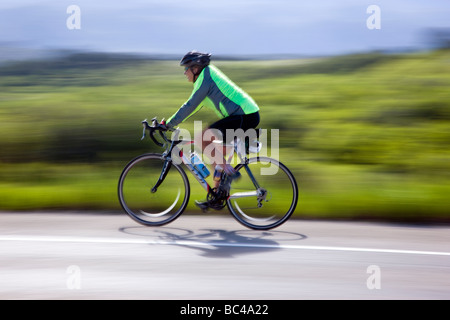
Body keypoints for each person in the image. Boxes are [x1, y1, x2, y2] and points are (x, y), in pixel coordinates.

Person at [164, 50, 260, 209]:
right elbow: (194, 107)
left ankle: (230, 171)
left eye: (186, 68)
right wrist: (170, 122)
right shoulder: (206, 78)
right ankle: (217, 196)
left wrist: (168, 124)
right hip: (246, 115)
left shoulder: (205, 77)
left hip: (245, 115)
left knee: (203, 138)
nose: (184, 72)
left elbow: (190, 105)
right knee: (216, 152)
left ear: (196, 68)